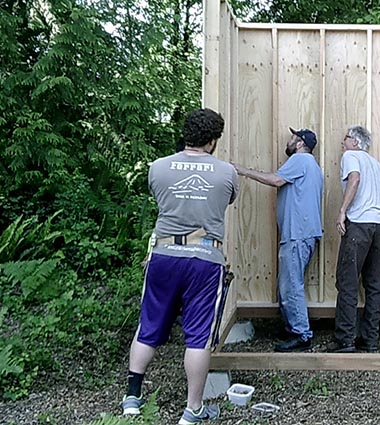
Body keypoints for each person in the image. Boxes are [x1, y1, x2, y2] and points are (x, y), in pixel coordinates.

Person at [121, 108, 239, 424]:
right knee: (198, 337)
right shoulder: (226, 172)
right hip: (204, 259)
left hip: (163, 255)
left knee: (148, 327)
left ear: (185, 135)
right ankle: (193, 410)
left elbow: (160, 198)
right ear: (213, 141)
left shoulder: (158, 168)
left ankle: (132, 397)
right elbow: (226, 201)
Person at [233, 127, 323, 352]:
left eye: (293, 138)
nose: (290, 141)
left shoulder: (300, 160)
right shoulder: (312, 165)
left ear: (301, 143)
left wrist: (243, 170)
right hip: (302, 233)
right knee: (288, 284)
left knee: (291, 285)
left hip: (297, 233)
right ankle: (292, 328)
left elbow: (275, 180)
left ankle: (302, 335)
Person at [327, 125, 380, 353]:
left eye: (345, 138)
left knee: (347, 281)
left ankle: (345, 340)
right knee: (374, 285)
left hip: (359, 225)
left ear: (355, 142)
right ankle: (370, 340)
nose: (342, 142)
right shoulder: (377, 165)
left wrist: (343, 210)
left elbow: (354, 179)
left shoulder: (350, 156)